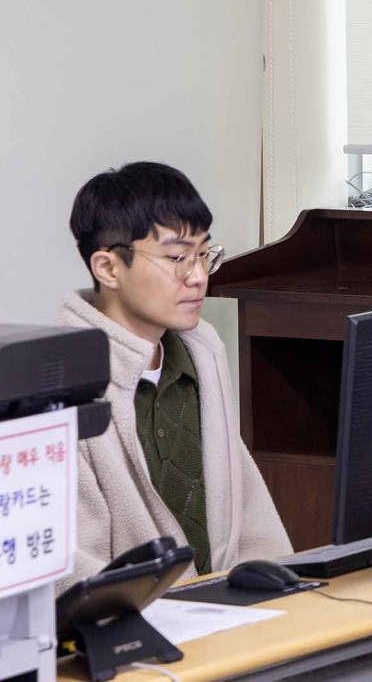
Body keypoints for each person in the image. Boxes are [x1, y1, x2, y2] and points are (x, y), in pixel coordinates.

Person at [59, 161, 291, 587]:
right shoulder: (63, 381)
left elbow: (247, 509)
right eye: (177, 258)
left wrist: (286, 591)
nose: (199, 277)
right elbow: (71, 563)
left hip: (229, 609)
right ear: (108, 268)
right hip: (131, 618)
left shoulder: (202, 351)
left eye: (203, 254)